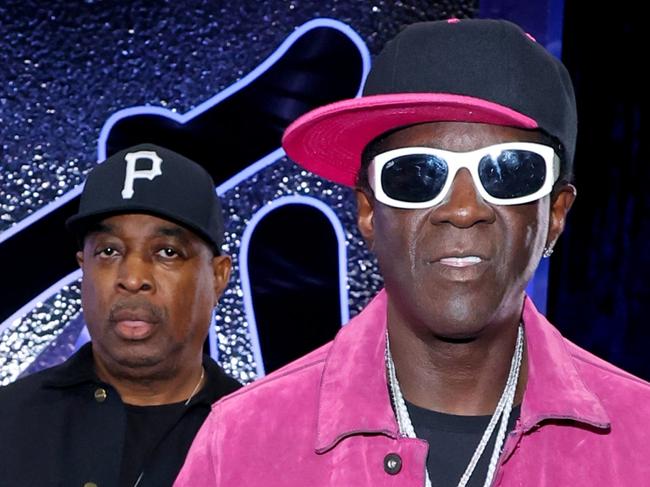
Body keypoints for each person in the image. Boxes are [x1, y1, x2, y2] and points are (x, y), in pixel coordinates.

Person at [174, 19, 650, 486]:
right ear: (367, 211)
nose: (463, 209)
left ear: (556, 213)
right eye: (417, 174)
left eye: (508, 172)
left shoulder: (640, 437)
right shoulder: (241, 443)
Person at [0, 143, 241, 486]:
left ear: (218, 276)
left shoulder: (259, 432)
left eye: (168, 252)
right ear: (84, 267)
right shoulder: (9, 422)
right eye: (109, 251)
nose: (132, 278)